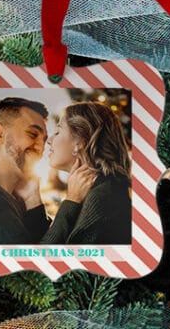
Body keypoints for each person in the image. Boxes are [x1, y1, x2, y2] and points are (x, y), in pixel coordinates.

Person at [0, 97, 95, 244]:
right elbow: (31, 261)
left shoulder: (18, 199)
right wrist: (72, 201)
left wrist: (33, 201)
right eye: (32, 134)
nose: (41, 147)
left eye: (44, 140)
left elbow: (41, 242)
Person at [40, 101, 133, 245]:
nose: (49, 140)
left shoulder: (101, 198)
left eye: (58, 131)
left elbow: (44, 259)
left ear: (80, 141)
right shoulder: (98, 189)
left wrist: (71, 203)